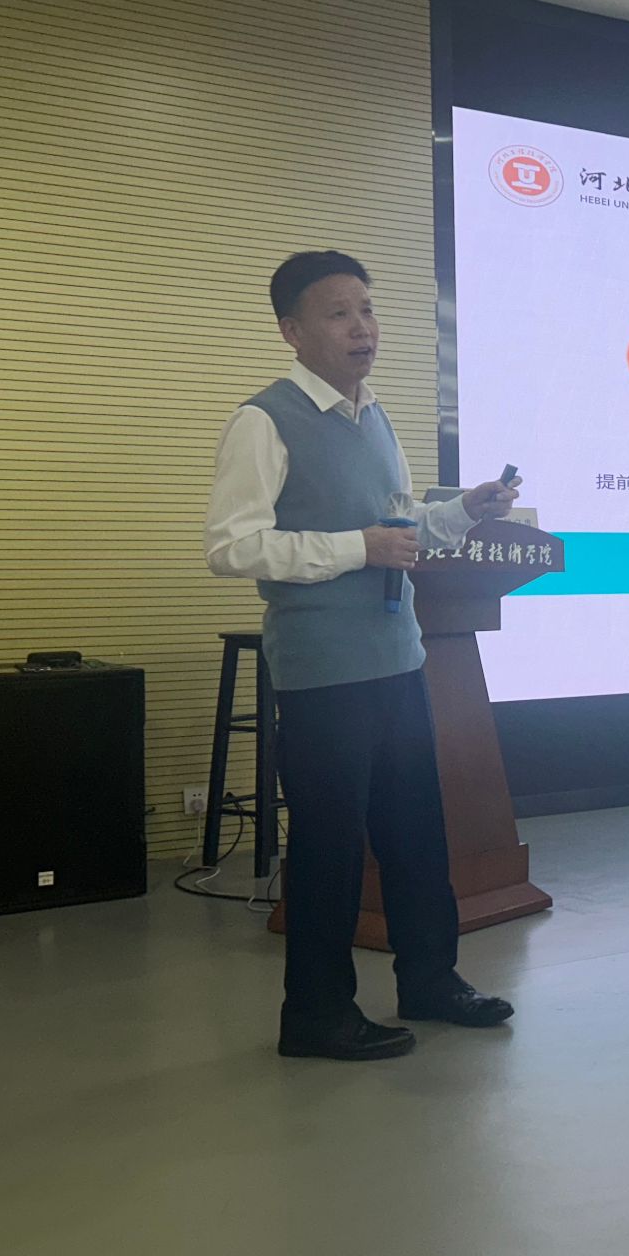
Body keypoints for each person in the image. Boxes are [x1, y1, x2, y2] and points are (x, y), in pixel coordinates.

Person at [204, 250, 521, 1060]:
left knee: (416, 835)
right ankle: (316, 1015)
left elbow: (399, 528)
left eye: (368, 310)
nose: (362, 328)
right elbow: (232, 548)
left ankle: (431, 980)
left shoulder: (374, 415)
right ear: (292, 330)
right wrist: (358, 547)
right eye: (339, 313)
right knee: (330, 846)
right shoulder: (265, 420)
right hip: (324, 672)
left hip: (399, 659)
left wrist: (465, 511)